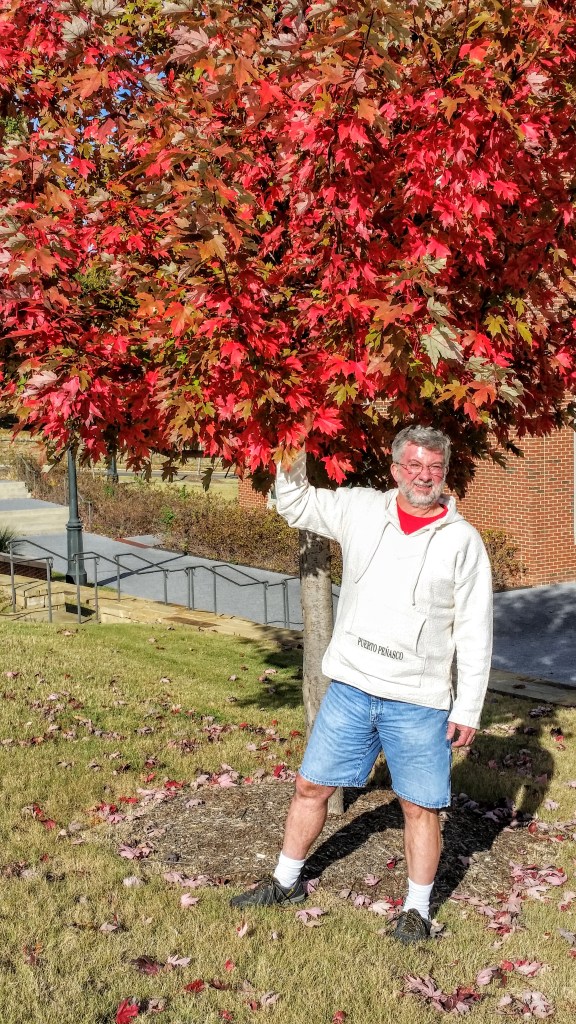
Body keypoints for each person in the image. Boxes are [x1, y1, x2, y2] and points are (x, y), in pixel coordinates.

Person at [230, 425, 493, 944]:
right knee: (311, 787)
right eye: (414, 466)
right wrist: (290, 450)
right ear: (395, 469)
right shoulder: (360, 509)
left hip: (418, 700)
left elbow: (475, 629)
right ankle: (286, 882)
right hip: (351, 687)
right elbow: (297, 505)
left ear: (445, 473)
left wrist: (468, 707)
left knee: (420, 806)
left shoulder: (462, 542)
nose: (424, 475)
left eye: (434, 467)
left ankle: (416, 912)